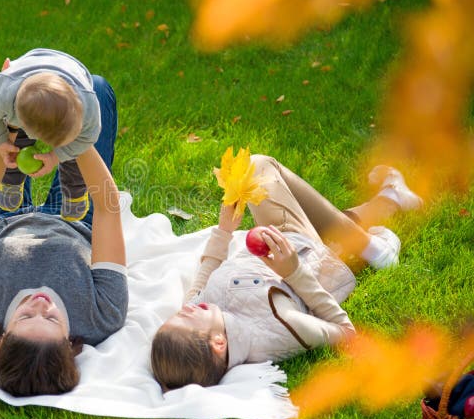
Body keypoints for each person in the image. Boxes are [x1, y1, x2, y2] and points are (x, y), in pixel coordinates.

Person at [150, 155, 423, 391]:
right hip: (311, 256)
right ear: (218, 343)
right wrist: (293, 272)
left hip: (278, 243)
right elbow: (344, 331)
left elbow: (204, 273)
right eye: (185, 319)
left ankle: (391, 198)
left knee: (332, 218)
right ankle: (374, 249)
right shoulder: (284, 328)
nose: (184, 309)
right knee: (256, 166)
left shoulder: (203, 312)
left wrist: (224, 230)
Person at [0, 76, 127, 396]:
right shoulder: (102, 317)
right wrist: (77, 139)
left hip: (3, 218)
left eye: (26, 316)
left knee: (14, 101)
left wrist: (6, 135)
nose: (40, 304)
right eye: (52, 320)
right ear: (69, 343)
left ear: (3, 335)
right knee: (94, 91)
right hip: (76, 220)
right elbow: (108, 209)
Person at [0, 48, 101, 222]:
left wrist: (57, 155)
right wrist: (1, 141)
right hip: (20, 78)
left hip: (74, 74)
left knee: (75, 152)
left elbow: (87, 138)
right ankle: (11, 179)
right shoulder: (3, 94)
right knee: (15, 144)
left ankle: (75, 192)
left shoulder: (88, 107)